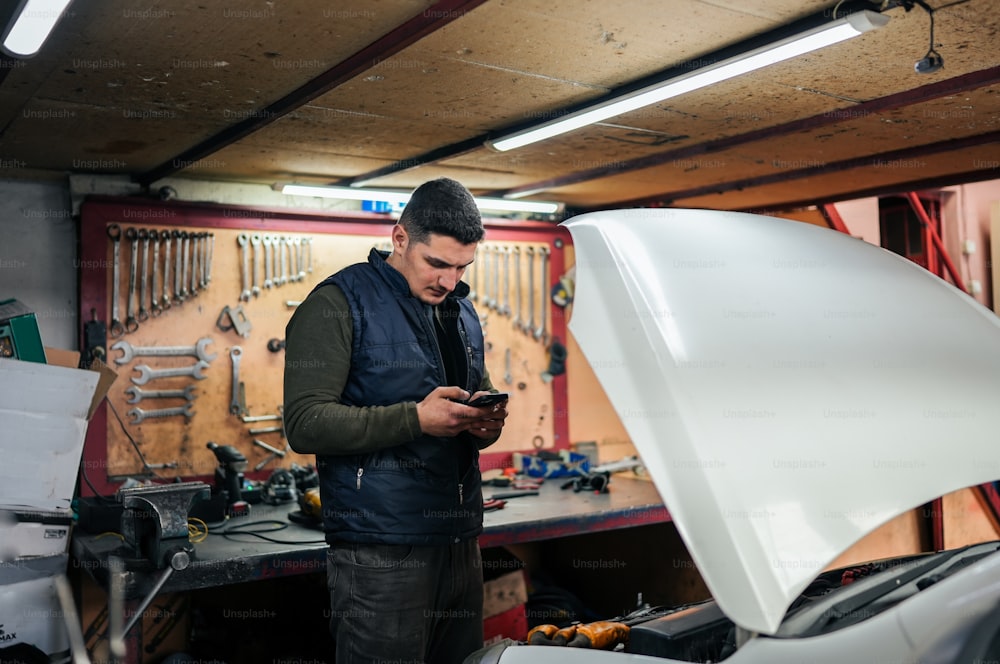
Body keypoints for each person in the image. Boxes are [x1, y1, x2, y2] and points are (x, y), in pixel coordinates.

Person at [283, 177, 508, 664]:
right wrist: (416, 419)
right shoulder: (337, 306)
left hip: (459, 541)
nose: (450, 281)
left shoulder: (461, 311)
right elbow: (304, 423)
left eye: (462, 267)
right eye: (438, 264)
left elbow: (473, 399)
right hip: (381, 553)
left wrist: (485, 423)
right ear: (400, 239)